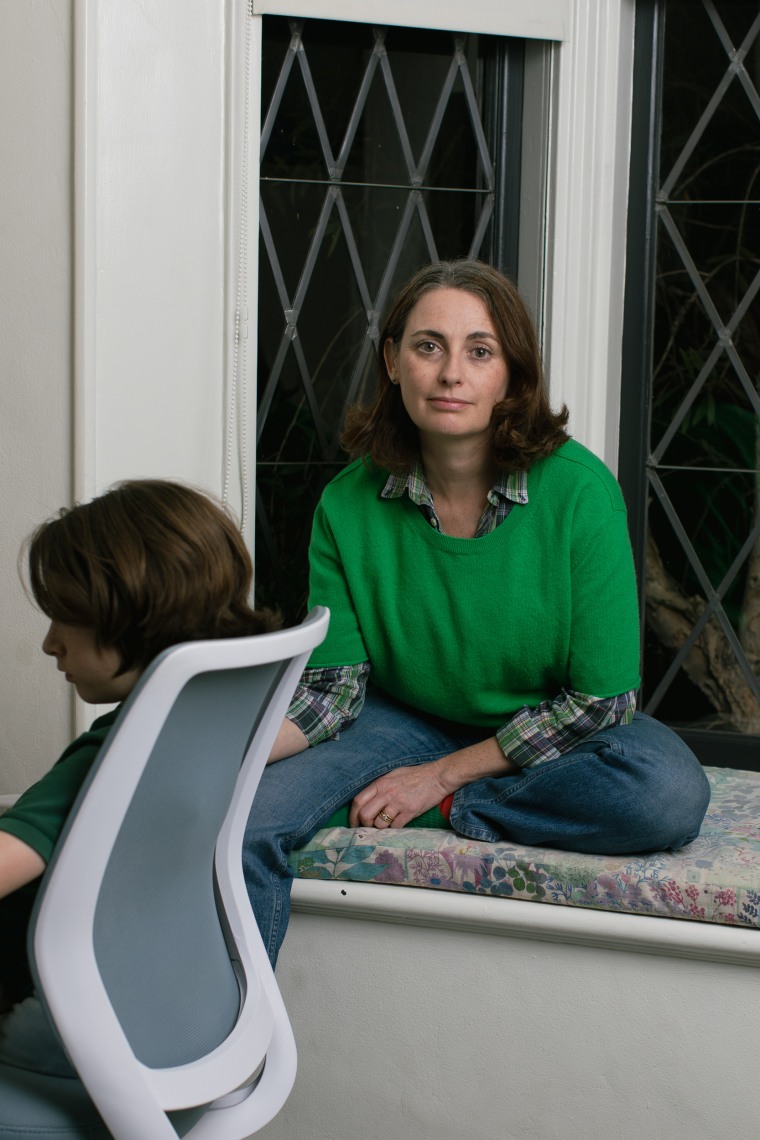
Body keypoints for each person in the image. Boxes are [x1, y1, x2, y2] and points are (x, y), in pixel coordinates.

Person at [243, 258, 711, 967]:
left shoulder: (581, 494)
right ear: (393, 362)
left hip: (550, 722)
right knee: (247, 817)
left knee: (666, 794)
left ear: (513, 377)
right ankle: (212, 1056)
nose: (450, 373)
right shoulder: (347, 502)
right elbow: (333, 693)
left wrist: (443, 778)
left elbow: (601, 703)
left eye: (480, 351)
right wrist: (224, 755)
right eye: (428, 346)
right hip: (399, 720)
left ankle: (456, 807)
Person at [0, 479, 277, 1073]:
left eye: (65, 619)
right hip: (184, 1018)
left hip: (78, 1029)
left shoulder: (111, 754)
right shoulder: (207, 722)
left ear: (132, 614)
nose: (50, 644)